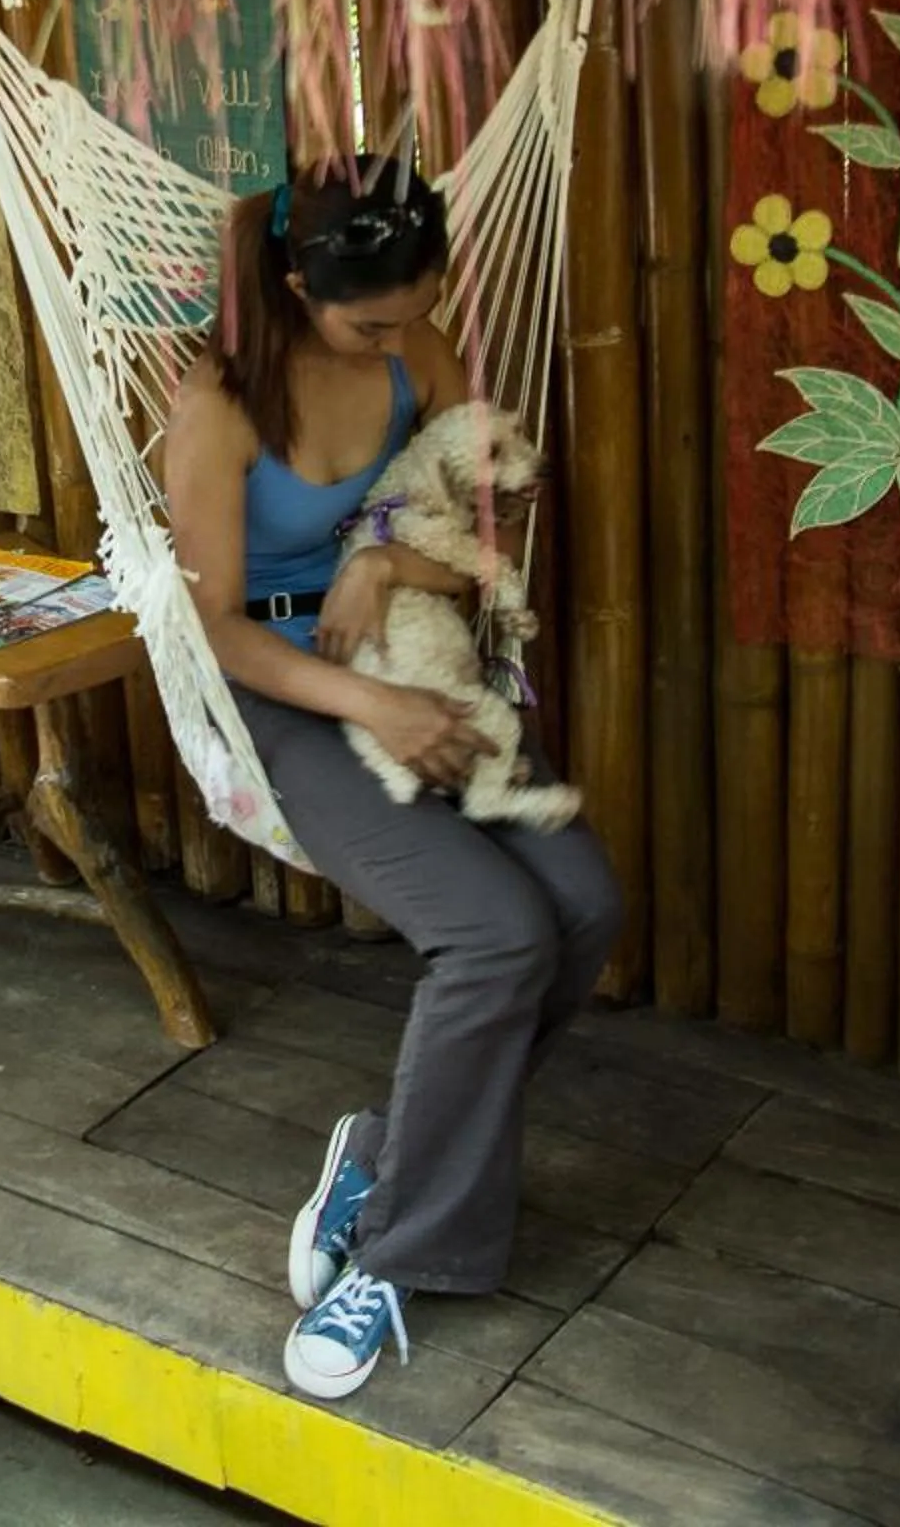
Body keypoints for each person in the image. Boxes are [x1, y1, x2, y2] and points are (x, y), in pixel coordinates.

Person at [162, 153, 623, 1402]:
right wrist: (369, 696)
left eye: (418, 310)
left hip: (422, 652)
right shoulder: (222, 401)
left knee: (581, 905)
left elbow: (491, 531)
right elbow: (211, 627)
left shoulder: (423, 354)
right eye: (373, 318)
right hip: (288, 695)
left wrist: (386, 575)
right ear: (302, 282)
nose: (401, 337)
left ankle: (390, 1153)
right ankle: (396, 1255)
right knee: (491, 935)